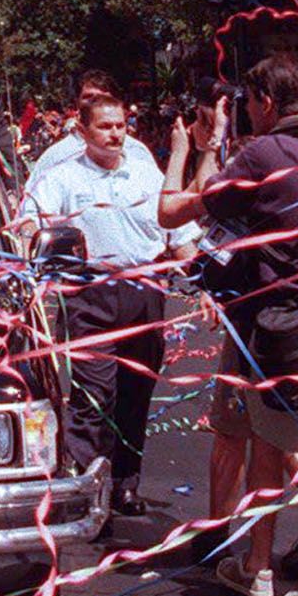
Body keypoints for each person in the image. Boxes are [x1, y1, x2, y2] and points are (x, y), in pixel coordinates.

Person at [161, 54, 298, 596]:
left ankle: (256, 567)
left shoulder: (264, 153)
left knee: (268, 445)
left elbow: (175, 212)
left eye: (251, 103)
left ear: (268, 102)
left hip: (287, 331)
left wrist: (197, 148)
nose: (249, 112)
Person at [19, 92, 179, 521]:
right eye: (105, 126)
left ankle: (125, 484)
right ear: (83, 131)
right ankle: (85, 488)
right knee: (94, 395)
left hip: (144, 292)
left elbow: (177, 230)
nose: (115, 134)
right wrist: (35, 237)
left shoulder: (146, 174)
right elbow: (31, 219)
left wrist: (205, 282)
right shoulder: (63, 177)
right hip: (90, 296)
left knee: (136, 392)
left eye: (121, 125)